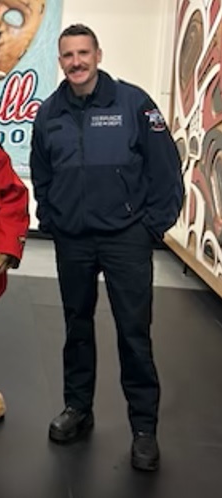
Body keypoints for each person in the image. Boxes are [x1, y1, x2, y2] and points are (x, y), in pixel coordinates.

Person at [30, 24, 183, 471]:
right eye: (68, 55)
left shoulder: (133, 103)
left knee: (134, 335)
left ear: (98, 54)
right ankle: (78, 409)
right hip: (73, 239)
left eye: (83, 53)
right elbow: (42, 171)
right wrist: (52, 217)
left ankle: (143, 430)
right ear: (60, 61)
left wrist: (151, 228)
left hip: (125, 239)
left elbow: (166, 169)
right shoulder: (50, 112)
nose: (76, 62)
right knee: (76, 328)